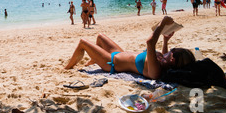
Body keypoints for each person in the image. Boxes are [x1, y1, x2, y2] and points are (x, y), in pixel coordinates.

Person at [64, 16, 195, 80]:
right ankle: (94, 59)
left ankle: (67, 67)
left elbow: (150, 43)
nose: (168, 52)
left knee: (83, 42)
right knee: (100, 36)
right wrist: (165, 40)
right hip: (119, 53)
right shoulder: (161, 61)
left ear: (172, 60)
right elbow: (163, 53)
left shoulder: (156, 71)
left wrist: (162, 24)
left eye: (171, 52)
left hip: (111, 63)